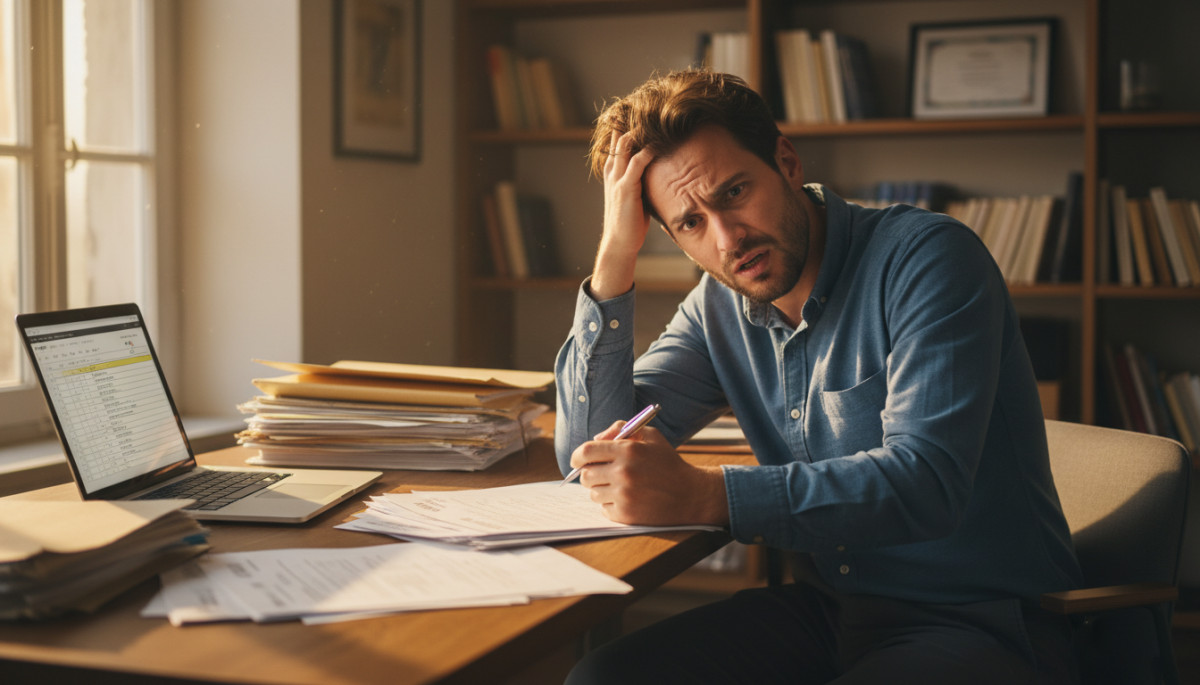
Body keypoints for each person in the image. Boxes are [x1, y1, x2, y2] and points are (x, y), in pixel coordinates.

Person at [553, 69, 1082, 684]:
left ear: (786, 161)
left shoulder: (929, 259)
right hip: (832, 613)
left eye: (733, 192)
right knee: (603, 679)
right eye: (690, 224)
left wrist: (708, 495)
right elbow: (586, 453)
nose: (728, 239)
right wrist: (616, 255)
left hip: (980, 622)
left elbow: (926, 484)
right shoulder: (718, 304)